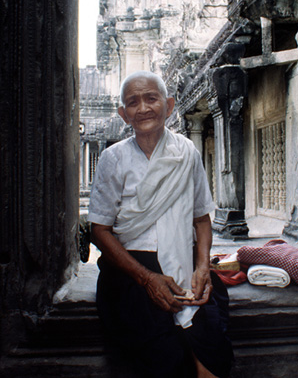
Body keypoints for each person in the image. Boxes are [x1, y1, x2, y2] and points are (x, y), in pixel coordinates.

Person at [88, 71, 233, 378]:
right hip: (131, 271)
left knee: (212, 352)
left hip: (184, 260)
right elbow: (99, 231)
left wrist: (203, 267)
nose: (143, 108)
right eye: (133, 102)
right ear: (123, 114)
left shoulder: (186, 153)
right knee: (164, 354)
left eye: (151, 98)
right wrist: (147, 278)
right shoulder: (113, 159)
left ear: (169, 105)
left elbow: (201, 218)